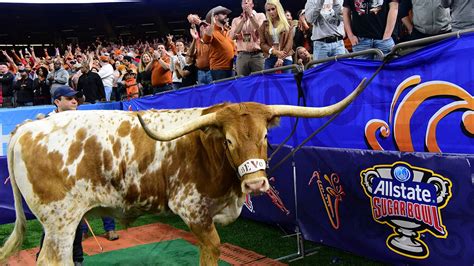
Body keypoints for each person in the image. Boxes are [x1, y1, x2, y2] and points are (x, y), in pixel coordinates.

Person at [37, 86, 83, 265]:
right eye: (69, 98)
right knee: (51, 224)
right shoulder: (44, 123)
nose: (74, 101)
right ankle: (44, 259)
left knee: (77, 221)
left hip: (76, 181)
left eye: (75, 98)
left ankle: (77, 260)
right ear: (57, 101)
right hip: (52, 182)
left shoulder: (81, 120)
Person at [230, 0, 266, 76]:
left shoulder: (260, 15)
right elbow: (232, 36)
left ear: (252, 4)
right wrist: (242, 21)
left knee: (259, 81)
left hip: (257, 55)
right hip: (242, 56)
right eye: (243, 1)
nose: (246, 1)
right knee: (243, 82)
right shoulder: (236, 20)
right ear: (241, 5)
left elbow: (260, 30)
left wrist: (250, 16)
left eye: (248, 0)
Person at [259, 0, 294, 73]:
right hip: (270, 56)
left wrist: (281, 58)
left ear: (278, 8)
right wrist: (274, 51)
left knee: (286, 81)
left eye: (273, 9)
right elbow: (262, 44)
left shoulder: (288, 23)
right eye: (268, 10)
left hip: (286, 56)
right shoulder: (264, 24)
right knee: (268, 81)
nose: (271, 12)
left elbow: (289, 43)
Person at [203, 6, 235, 81]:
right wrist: (212, 24)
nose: (226, 15)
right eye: (223, 14)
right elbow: (206, 40)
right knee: (221, 91)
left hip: (230, 68)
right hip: (219, 69)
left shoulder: (227, 31)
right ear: (216, 17)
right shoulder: (211, 31)